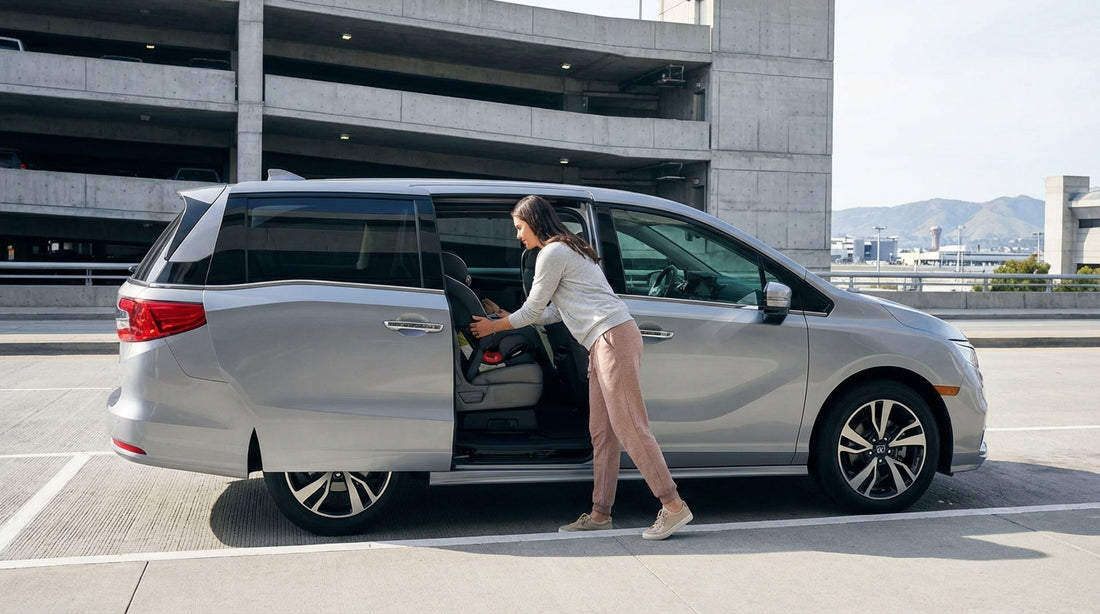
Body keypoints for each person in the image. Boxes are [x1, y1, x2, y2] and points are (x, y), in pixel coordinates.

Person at [468, 195, 693, 540]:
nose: (517, 236)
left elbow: (531, 312)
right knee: (602, 432)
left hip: (612, 337)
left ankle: (673, 506)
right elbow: (556, 312)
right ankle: (601, 513)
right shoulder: (566, 250)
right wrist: (505, 317)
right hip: (602, 341)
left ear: (534, 222)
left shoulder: (552, 253)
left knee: (630, 425)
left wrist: (494, 327)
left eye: (519, 228)